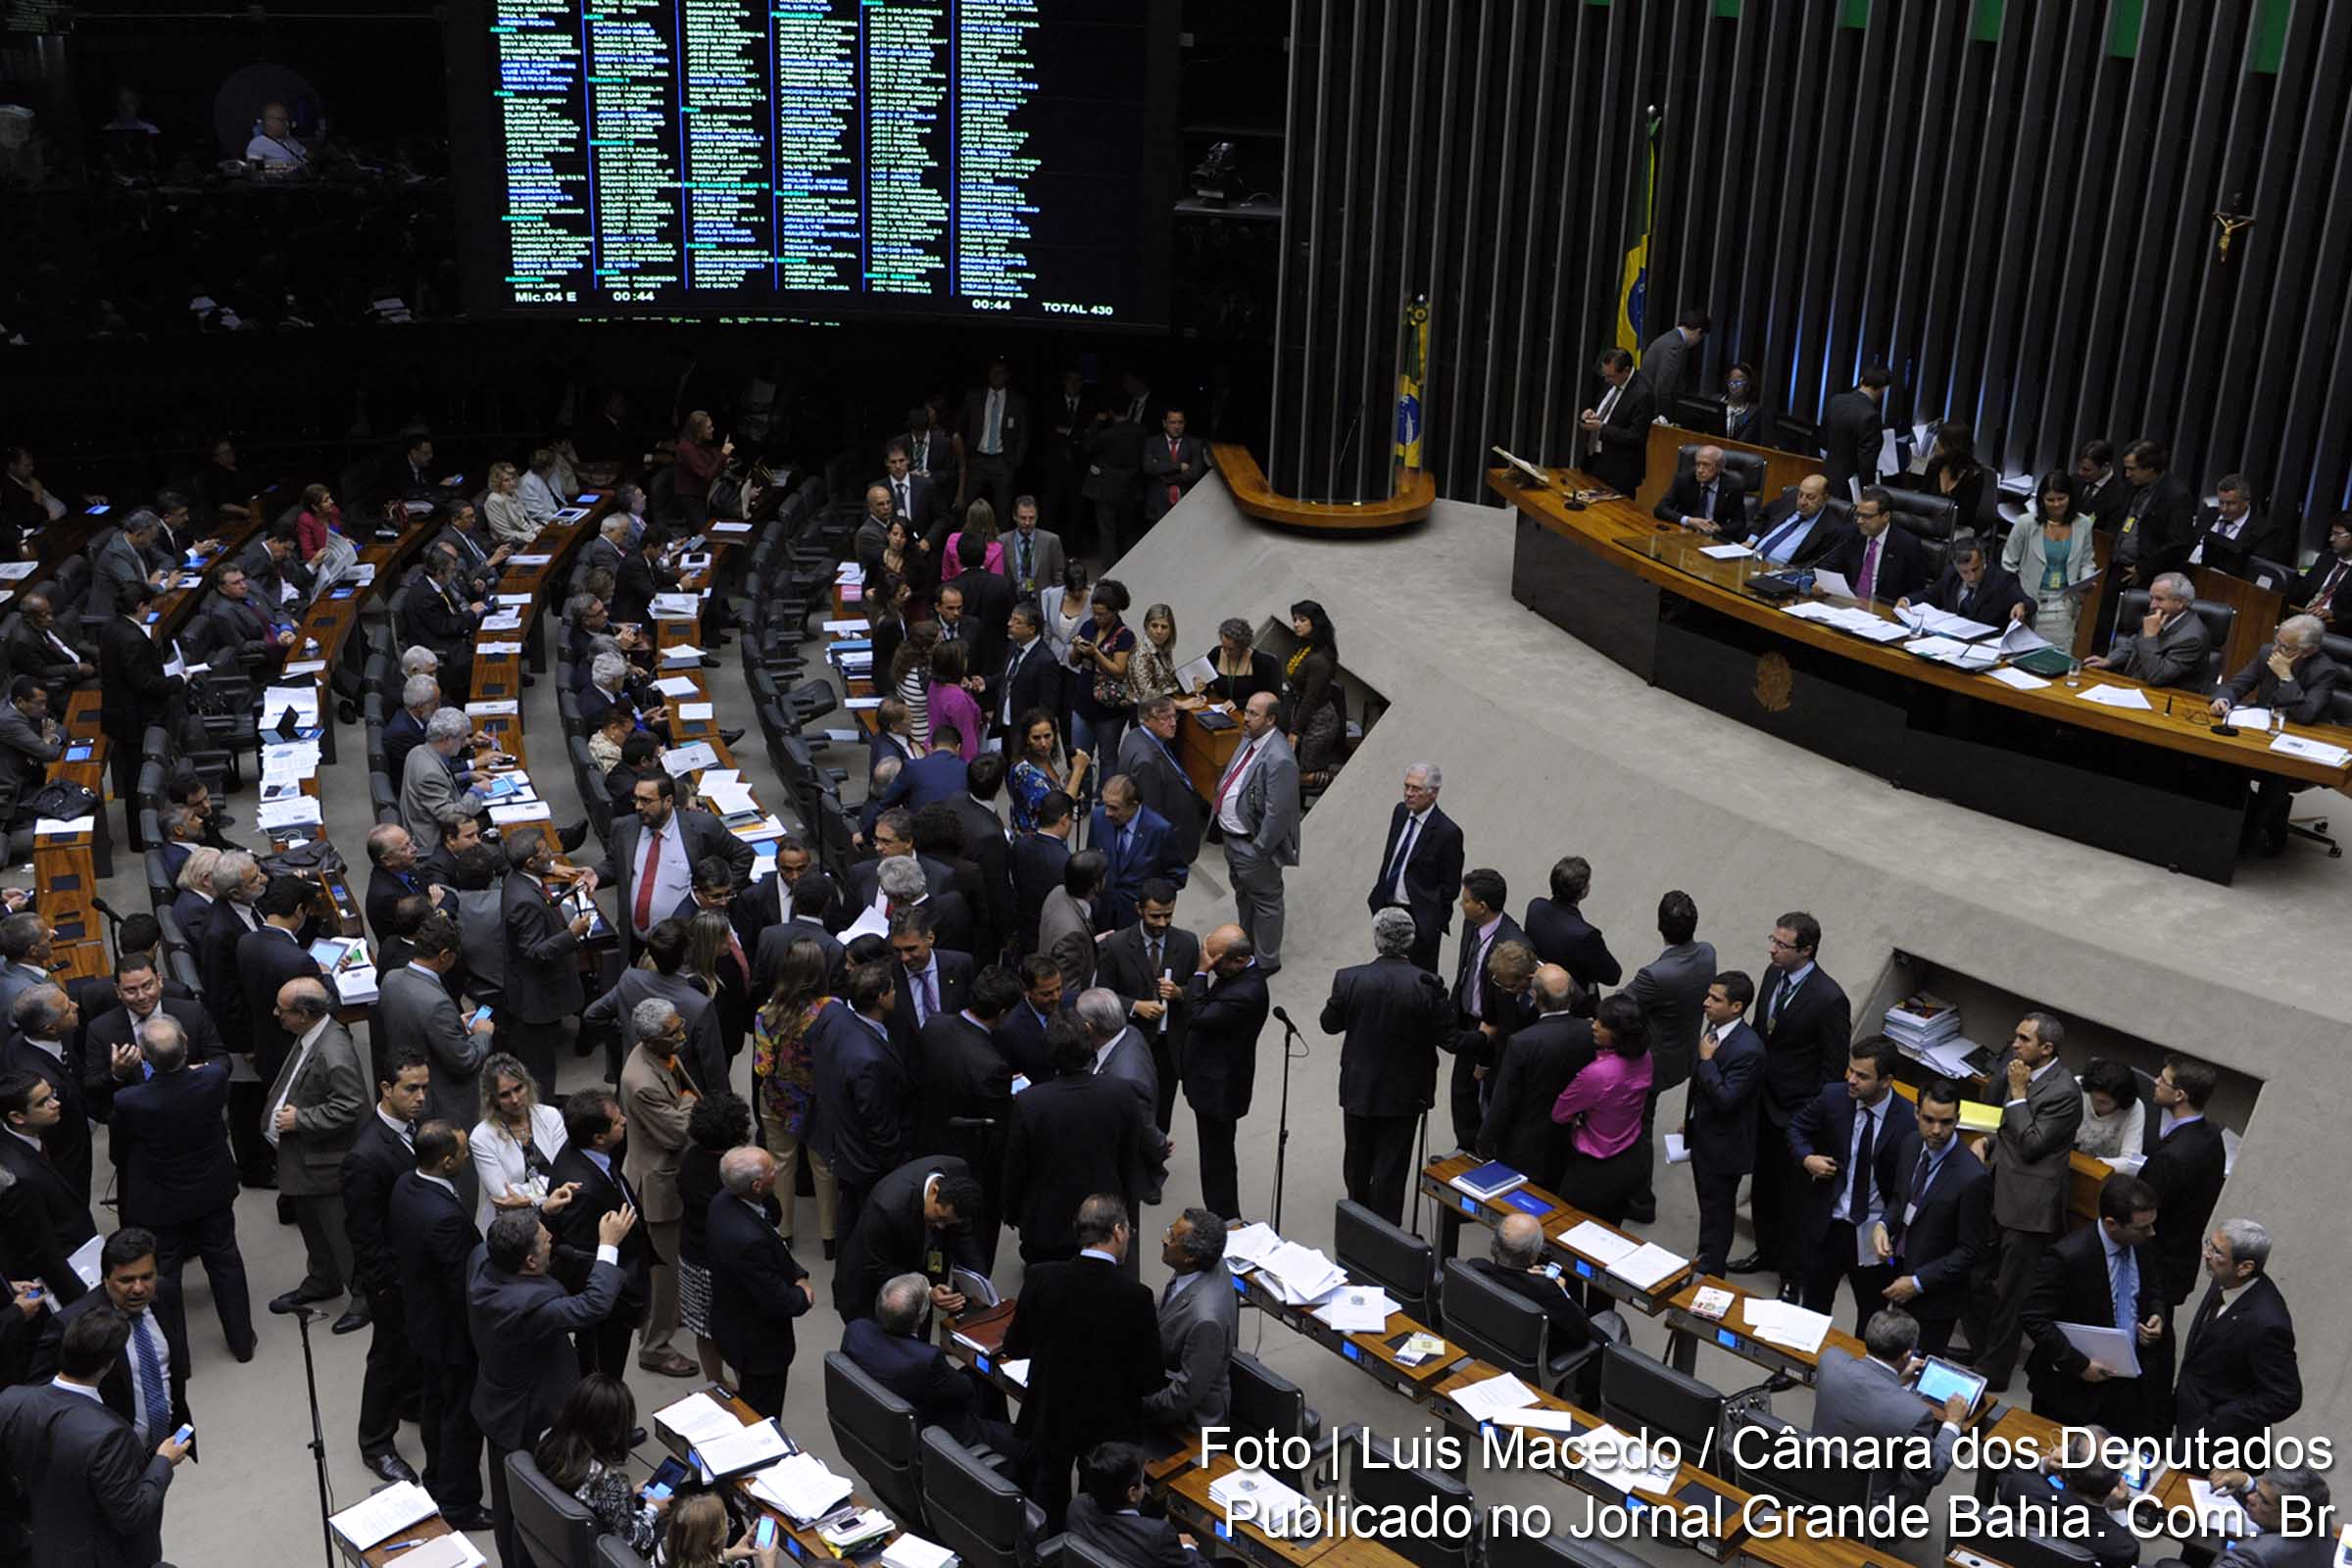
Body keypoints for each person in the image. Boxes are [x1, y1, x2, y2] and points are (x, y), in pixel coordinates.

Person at [468, 1200, 634, 1568]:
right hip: (530, 1415)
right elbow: (592, 1306)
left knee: (508, 1497)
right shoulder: (530, 1304)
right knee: (535, 1506)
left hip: (497, 1404)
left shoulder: (483, 1259)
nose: (551, 1242)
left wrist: (544, 1213)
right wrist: (609, 1245)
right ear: (529, 1262)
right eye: (545, 1241)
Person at [1000, 1194, 1164, 1528]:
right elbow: (1150, 1379)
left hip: (1052, 1414)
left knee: (1049, 1490)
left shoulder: (1042, 1277)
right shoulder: (1136, 1297)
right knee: (1102, 1506)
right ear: (1118, 1231)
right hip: (1107, 1426)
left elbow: (1015, 1346)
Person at [104, 1012, 251, 1354]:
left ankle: (177, 1352)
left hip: (162, 1201)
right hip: (212, 1190)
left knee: (166, 1276)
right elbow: (214, 1068)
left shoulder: (129, 1101)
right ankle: (242, 1341)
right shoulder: (213, 1078)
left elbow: (118, 1151)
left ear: (143, 1055)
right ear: (186, 1044)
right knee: (225, 1261)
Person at [0, 1305, 189, 1568]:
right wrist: (163, 1462)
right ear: (108, 1364)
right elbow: (132, 1513)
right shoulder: (109, 1434)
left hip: (44, 1546)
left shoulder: (11, 1401)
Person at [1965, 1010, 2086, 1393]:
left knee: (2011, 1293)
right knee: (1976, 1276)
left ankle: (1996, 1371)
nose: (2014, 1043)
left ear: (2046, 1048)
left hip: (2030, 1206)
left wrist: (2018, 1095)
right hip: (1998, 1188)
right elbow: (2009, 1127)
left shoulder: (2064, 1092)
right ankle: (1982, 1350)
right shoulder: (2017, 1071)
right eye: (2015, 1036)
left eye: (2024, 1039)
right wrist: (1989, 1141)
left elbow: (2034, 1143)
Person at [1737, 911, 1852, 1288]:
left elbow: (1832, 1069)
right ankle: (1766, 1251)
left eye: (1782, 945)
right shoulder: (1773, 976)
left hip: (1798, 1113)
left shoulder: (1830, 999)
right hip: (1764, 1104)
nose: (1773, 950)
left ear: (1806, 950)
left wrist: (1811, 1118)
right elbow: (1761, 1034)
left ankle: (1793, 1274)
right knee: (1764, 1186)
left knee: (1795, 1199)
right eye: (1772, 941)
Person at [1321, 908, 1452, 1224]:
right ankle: (1387, 1230)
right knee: (1392, 1165)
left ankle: (1357, 1218)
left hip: (1360, 1086)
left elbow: (1329, 1024)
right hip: (1405, 1092)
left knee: (1357, 1158)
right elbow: (1446, 1036)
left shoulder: (1349, 978)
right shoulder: (1428, 984)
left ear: (1377, 938)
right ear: (1410, 941)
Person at [394, 1121, 494, 1529]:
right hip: (452, 1335)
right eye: (464, 1153)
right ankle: (460, 1504)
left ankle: (436, 1479)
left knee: (436, 1409)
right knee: (461, 1420)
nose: (468, 1158)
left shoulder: (406, 1185)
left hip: (421, 1322)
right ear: (447, 1160)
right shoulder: (446, 1220)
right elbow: (463, 1288)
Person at [2022, 1173, 2165, 1434]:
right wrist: (2079, 1365)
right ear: (2111, 1224)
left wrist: (2157, 1314)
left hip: (2124, 1391)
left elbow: (2153, 1287)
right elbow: (2034, 1317)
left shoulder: (2141, 1244)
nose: (2152, 1232)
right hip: (2069, 1393)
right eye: (2143, 1227)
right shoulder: (2067, 1256)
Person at [28, 1228, 193, 1451]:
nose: (138, 1288)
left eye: (146, 1277)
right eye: (126, 1280)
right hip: (110, 1458)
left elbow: (174, 1367)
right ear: (105, 1279)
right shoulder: (72, 1324)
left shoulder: (164, 1294)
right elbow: (41, 1396)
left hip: (164, 1448)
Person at [343, 1052, 428, 1481]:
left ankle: (412, 1401)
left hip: (417, 1269)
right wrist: (385, 1288)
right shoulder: (367, 1155)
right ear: (385, 1090)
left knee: (412, 1349)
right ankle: (376, 1442)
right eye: (411, 1089)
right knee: (388, 1357)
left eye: (424, 1088)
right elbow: (364, 1234)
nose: (420, 1097)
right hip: (391, 1280)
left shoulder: (411, 1132)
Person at [1004, 1017, 1152, 1260]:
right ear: (1090, 1047)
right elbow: (1129, 1154)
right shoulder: (1120, 1092)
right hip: (1103, 1212)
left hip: (1048, 1219)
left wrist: (1012, 1210)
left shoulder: (1030, 1102)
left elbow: (1017, 1165)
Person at [264, 978, 366, 1320]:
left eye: (283, 1009)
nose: (276, 1013)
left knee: (340, 1235)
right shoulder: (310, 1035)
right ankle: (323, 1279)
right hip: (303, 1160)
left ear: (305, 1014)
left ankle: (363, 1297)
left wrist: (302, 1119)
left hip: (326, 1163)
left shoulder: (333, 1053)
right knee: (314, 1228)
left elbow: (350, 1105)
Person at [1788, 1037, 1902, 1330]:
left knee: (1872, 1315)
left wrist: (1889, 1225)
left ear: (1887, 1081)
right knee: (1812, 1308)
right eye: (1850, 1071)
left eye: (1862, 1076)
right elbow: (1797, 1128)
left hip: (1874, 1235)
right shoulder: (1833, 1097)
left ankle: (1860, 1374)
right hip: (1828, 1224)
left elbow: (1906, 1187)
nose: (1851, 1080)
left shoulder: (1907, 1120)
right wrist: (1807, 1158)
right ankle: (1800, 1370)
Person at [1869, 1077, 1989, 1354]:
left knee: (1917, 1376)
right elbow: (1901, 1200)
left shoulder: (1972, 1178)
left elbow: (1969, 1251)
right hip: (1895, 1272)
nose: (1936, 1130)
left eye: (1946, 1122)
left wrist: (1918, 1283)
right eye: (1929, 1120)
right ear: (1916, 1114)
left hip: (1933, 1300)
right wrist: (1883, 1224)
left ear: (1957, 1118)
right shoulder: (1911, 1144)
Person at [615, 1000, 703, 1378]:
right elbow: (676, 1132)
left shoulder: (659, 1054)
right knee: (662, 1272)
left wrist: (685, 1102)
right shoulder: (642, 1082)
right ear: (651, 1039)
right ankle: (654, 1347)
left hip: (670, 1174)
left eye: (679, 1026)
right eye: (674, 1032)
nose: (681, 1035)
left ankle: (672, 1316)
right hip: (657, 1183)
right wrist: (687, 1104)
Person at [1813, 1307, 1969, 1516]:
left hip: (1815, 1473)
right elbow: (1934, 1471)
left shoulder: (1830, 1361)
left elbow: (1863, 1387)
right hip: (1866, 1501)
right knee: (1919, 1477)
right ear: (1906, 1355)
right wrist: (1953, 1421)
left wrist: (1896, 1376)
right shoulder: (1915, 1413)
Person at [843, 1272, 1022, 1454]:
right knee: (1028, 1444)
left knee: (980, 1378)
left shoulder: (856, 1331)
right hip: (940, 1433)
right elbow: (966, 1391)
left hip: (886, 1419)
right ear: (921, 1317)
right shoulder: (926, 1359)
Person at [2211, 614, 2343, 854]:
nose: (2275, 649)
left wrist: (2286, 676)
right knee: (2221, 761)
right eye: (2276, 640)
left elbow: (2305, 715)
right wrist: (2223, 698)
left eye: (2284, 646)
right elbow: (2236, 685)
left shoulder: (2325, 671)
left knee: (2275, 781)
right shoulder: (2266, 653)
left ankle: (2243, 843)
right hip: (2260, 734)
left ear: (2306, 651)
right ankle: (2235, 821)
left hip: (2300, 748)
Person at [705, 1146, 815, 1416]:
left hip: (732, 1324)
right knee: (762, 1418)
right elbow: (781, 1299)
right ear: (756, 1185)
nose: (776, 1170)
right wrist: (803, 1293)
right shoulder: (747, 1240)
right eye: (770, 1170)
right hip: (758, 1347)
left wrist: (795, 1272)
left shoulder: (723, 1201)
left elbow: (774, 1244)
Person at [2173, 1217, 2300, 1446]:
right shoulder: (2223, 1278)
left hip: (2224, 1446)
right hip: (2188, 1424)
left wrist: (2219, 1419)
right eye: (2208, 1244)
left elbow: (2285, 1397)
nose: (2207, 1254)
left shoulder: (2267, 1323)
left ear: (2245, 1267)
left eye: (2217, 1252)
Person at [808, 962, 909, 1238]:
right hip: (863, 1157)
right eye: (892, 990)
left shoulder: (832, 1014)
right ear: (881, 998)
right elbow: (878, 1123)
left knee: (850, 1213)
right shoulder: (869, 1060)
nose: (895, 994)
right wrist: (896, 1162)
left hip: (839, 1140)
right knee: (865, 1225)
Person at [1182, 925, 1269, 1222]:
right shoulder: (1238, 976)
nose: (1209, 965)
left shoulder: (1247, 992)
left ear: (1240, 960)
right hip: (1212, 1082)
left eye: (1215, 961)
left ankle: (1225, 1220)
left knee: (1217, 1161)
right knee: (1215, 1157)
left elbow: (1199, 1015)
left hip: (1220, 1091)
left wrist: (1199, 974)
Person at [1476, 965, 1591, 1191]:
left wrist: (1485, 1141)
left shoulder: (1523, 1042)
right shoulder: (1589, 1032)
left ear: (1535, 997)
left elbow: (1504, 1100)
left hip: (1525, 1147)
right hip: (1568, 1140)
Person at [833, 1155, 987, 1322]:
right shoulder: (887, 1207)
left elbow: (964, 1233)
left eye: (948, 1222)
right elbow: (878, 1267)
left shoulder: (958, 1175)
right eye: (939, 1218)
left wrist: (979, 1287)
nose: (941, 1227)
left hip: (916, 1264)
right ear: (934, 1191)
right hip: (871, 1288)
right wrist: (926, 1291)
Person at [377, 911, 492, 1129]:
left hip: (404, 1087)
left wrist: (452, 1023)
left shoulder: (391, 979)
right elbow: (464, 1060)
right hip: (440, 1102)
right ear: (444, 955)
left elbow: (412, 1024)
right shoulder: (437, 1004)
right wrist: (483, 1034)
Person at [498, 828, 590, 1098]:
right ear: (529, 862)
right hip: (535, 997)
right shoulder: (524, 901)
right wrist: (572, 934)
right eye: (545, 852)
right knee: (540, 1070)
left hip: (530, 987)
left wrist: (552, 867)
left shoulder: (516, 877)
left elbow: (542, 865)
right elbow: (535, 951)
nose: (551, 853)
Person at [1684, 972, 1764, 1279]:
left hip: (1724, 1149)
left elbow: (1728, 1099)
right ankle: (1705, 1257)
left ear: (1736, 1007)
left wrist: (1707, 1062)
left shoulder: (1749, 1050)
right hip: (1705, 1135)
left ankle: (1710, 1272)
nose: (1706, 1002)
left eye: (1715, 999)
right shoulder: (1715, 1029)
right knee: (1709, 1208)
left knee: (1718, 1215)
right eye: (1708, 995)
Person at [1548, 994, 1653, 1226]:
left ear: (1619, 1034)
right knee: (1609, 1228)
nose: (1593, 1025)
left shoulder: (1597, 1074)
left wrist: (1578, 1116)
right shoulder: (1645, 1057)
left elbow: (1560, 1112)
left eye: (1601, 1023)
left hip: (1594, 1170)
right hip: (1630, 1157)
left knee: (1569, 1229)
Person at [532, 1374, 663, 1555]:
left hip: (559, 1541)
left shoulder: (547, 1441)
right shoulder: (608, 1482)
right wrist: (653, 1509)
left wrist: (626, 1497)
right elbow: (630, 1541)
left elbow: (586, 1496)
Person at [1216, 691, 1301, 973]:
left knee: (1266, 902)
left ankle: (1266, 962)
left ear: (1271, 719)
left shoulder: (1280, 759)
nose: (1246, 717)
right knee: (1244, 894)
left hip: (1253, 846)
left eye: (1254, 714)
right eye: (1247, 710)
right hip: (1233, 839)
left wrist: (1260, 849)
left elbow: (1279, 814)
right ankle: (1247, 945)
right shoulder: (1249, 738)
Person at [1442, 867, 1524, 1154]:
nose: (1460, 904)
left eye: (1465, 900)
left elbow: (1509, 1015)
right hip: (1467, 1022)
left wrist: (1487, 1057)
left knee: (1486, 1096)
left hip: (1493, 1032)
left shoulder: (1512, 946)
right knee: (1461, 1094)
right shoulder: (1471, 924)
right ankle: (1465, 1147)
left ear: (1482, 906)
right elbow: (1465, 971)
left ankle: (1482, 1153)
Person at [96, 580, 183, 848]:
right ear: (139, 606)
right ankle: (141, 837)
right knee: (140, 780)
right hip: (136, 719)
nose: (151, 612)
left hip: (120, 713)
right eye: (148, 607)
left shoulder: (111, 626)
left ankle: (142, 833)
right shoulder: (132, 638)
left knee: (135, 776)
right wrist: (179, 680)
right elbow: (144, 683)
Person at [0, 1067, 95, 1306]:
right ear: (17, 1117)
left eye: (52, 1094)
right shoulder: (21, 1178)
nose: (56, 1103)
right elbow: (43, 1252)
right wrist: (81, 1300)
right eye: (44, 1102)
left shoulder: (31, 1134)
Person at [2139, 1054, 2228, 1311]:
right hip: (2179, 1264)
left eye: (2163, 1080)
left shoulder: (2172, 1156)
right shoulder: (2211, 1136)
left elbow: (2143, 1211)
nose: (2156, 1081)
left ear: (2180, 1095)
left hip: (2154, 1268)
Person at [1142, 1209, 1238, 1430]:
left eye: (1172, 1238)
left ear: (1190, 1257)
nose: (1164, 1240)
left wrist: (1138, 1407)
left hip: (1191, 1424)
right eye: (1169, 1230)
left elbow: (1183, 1395)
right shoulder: (1206, 1262)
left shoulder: (1206, 1322)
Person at [1068, 1442, 1208, 1568]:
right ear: (1132, 1493)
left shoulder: (1077, 1507)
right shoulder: (1158, 1535)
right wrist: (1188, 1547)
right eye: (1142, 1481)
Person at [2002, 471, 2101, 650]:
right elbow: (2008, 565)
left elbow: (2087, 560)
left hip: (2063, 605)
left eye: (2061, 498)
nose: (2056, 505)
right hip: (2028, 602)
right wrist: (2018, 599)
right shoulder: (2025, 523)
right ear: (2041, 500)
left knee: (2055, 660)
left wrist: (2087, 580)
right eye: (2050, 500)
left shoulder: (2083, 524)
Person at [469, 1052, 567, 1229]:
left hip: (560, 1215)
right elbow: (502, 1194)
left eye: (518, 1088)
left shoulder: (550, 1116)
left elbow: (564, 1171)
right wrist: (546, 1196)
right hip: (512, 1226)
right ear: (493, 1099)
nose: (515, 1099)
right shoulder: (481, 1137)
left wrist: (525, 1198)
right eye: (505, 1095)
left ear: (528, 1085)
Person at [1466, 1211, 1593, 1348]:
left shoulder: (1476, 1268)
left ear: (1494, 1246)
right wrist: (1563, 1292)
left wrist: (1529, 1277)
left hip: (1488, 1340)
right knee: (1612, 1321)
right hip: (1536, 1352)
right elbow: (1582, 1334)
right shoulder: (1548, 1292)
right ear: (1534, 1255)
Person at [2085, 570, 2210, 688]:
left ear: (2180, 603)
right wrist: (2109, 660)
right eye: (2152, 598)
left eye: (2159, 599)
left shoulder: (2193, 638)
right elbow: (2134, 644)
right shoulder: (2161, 615)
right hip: (2132, 684)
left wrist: (2150, 636)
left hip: (2166, 698)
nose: (2152, 605)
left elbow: (2157, 676)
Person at [1091, 775, 1184, 928]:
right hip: (1103, 913)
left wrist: (1155, 904)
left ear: (1133, 805)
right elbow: (1092, 859)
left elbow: (1177, 875)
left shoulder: (1159, 830)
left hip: (1137, 920)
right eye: (1105, 804)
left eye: (1114, 807)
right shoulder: (1098, 818)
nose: (1107, 812)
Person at [2109, 437, 2197, 593]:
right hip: (2117, 566)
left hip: (2147, 575)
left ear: (2150, 468)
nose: (2127, 474)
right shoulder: (2132, 485)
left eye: (2132, 469)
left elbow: (2178, 542)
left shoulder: (2176, 495)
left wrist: (2143, 569)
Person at [400, 709, 488, 859]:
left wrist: (466, 776)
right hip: (436, 839)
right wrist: (476, 791)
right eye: (461, 739)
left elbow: (440, 781)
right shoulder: (429, 772)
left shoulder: (418, 751)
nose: (464, 744)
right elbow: (451, 816)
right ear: (446, 739)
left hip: (427, 823)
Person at [1819, 487, 1933, 604]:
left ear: (1886, 517)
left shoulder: (1907, 545)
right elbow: (1829, 566)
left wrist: (1906, 601)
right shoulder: (1850, 533)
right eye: (1858, 515)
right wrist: (1821, 583)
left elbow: (1918, 591)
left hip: (1883, 610)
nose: (1859, 521)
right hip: (1846, 604)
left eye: (1866, 516)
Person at [1068, 577, 1138, 762]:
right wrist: (1076, 648)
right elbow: (1073, 662)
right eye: (1095, 613)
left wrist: (1095, 653)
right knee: (1080, 756)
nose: (1098, 618)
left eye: (1103, 614)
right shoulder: (1088, 626)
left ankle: (1104, 791)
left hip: (1109, 710)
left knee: (1107, 758)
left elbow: (1119, 670)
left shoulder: (1124, 635)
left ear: (1114, 612)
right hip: (1083, 702)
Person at [1899, 531, 2032, 627]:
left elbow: (2030, 602)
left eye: (1975, 569)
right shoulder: (1951, 575)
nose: (1972, 577)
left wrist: (2022, 606)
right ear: (1956, 567)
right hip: (1951, 641)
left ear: (1983, 560)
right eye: (1964, 572)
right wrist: (1907, 600)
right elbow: (1930, 596)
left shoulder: (2002, 580)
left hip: (1986, 646)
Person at [1282, 599, 1346, 782]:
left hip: (1318, 722)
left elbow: (1310, 699)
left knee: (1301, 774)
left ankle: (1335, 781)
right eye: (1295, 619)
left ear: (1314, 623)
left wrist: (1295, 731)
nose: (1296, 624)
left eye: (1302, 620)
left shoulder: (1319, 660)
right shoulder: (1306, 647)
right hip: (1303, 714)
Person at [1579, 348, 1657, 495]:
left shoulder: (1643, 394)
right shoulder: (1612, 380)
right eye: (1605, 375)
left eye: (1611, 376)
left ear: (1626, 371)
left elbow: (1636, 437)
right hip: (1594, 460)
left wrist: (1601, 428)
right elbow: (1605, 411)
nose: (1607, 380)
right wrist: (1589, 415)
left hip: (1619, 471)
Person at [2188, 472, 2290, 577]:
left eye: (2231, 503)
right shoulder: (2208, 515)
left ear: (2246, 502)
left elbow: (2254, 572)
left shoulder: (2264, 532)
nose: (2224, 509)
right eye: (2221, 502)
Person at [1742, 472, 1849, 569]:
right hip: (1749, 558)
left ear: (1825, 499)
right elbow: (1762, 516)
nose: (1802, 502)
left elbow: (1817, 564)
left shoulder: (1832, 528)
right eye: (1800, 494)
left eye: (1810, 497)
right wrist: (1752, 540)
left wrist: (1789, 570)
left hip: (1779, 574)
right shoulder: (1790, 499)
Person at [1008, 709, 1088, 834]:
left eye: (1047, 736)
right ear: (1027, 739)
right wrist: (1079, 770)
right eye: (1036, 738)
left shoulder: (1046, 759)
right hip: (1036, 845)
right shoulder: (1024, 772)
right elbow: (1059, 810)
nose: (1043, 743)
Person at [1821, 365, 1892, 500]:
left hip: (1827, 476)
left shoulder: (1836, 401)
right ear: (1883, 389)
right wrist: (1868, 493)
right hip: (1850, 486)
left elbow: (1823, 439)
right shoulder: (1871, 416)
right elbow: (1867, 462)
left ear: (1861, 380)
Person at [1039, 849, 1102, 994]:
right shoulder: (1074, 935)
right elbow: (1067, 990)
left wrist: (1090, 943)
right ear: (1097, 885)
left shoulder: (1057, 892)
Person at [1652, 444, 1748, 534]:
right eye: (1698, 464)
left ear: (1719, 468)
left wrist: (1720, 529)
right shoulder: (1684, 479)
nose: (1700, 470)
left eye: (1706, 465)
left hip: (1713, 538)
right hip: (1684, 534)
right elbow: (1660, 509)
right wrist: (1689, 521)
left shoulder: (1733, 486)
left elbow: (1739, 522)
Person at [1921, 420, 1993, 537]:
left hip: (1958, 527)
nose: (1936, 443)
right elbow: (1921, 498)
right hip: (1932, 522)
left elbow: (1964, 517)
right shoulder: (1934, 465)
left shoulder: (1974, 475)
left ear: (1952, 446)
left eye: (1940, 440)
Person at [1140, 407, 1209, 525]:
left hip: (1185, 503)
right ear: (1164, 423)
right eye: (1172, 422)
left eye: (1180, 422)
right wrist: (1177, 466)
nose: (1177, 426)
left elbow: (1195, 473)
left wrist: (1166, 477)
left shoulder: (1195, 443)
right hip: (1157, 504)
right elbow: (1148, 467)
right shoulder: (1152, 442)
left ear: (1185, 423)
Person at [2288, 514, 2352, 634]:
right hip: (2302, 617)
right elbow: (2303, 589)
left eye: (2337, 534)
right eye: (2332, 533)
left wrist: (2333, 614)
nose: (2331, 539)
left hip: (2333, 630)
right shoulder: (2327, 557)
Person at [1200, 616, 1283, 708]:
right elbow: (1204, 683)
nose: (1226, 652)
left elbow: (1273, 698)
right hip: (1220, 707)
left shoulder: (1265, 663)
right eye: (1224, 647)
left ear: (1243, 646)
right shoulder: (1216, 653)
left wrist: (1239, 704)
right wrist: (1202, 694)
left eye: (1231, 649)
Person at [2075, 1058, 2145, 1159]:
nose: (2095, 1103)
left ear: (2119, 1102)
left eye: (2103, 1102)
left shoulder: (2136, 1108)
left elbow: (2132, 1162)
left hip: (2105, 1171)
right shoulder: (2076, 1086)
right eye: (2092, 1097)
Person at [1641, 308, 1709, 404]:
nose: (1697, 343)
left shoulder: (1668, 337)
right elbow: (1663, 387)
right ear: (1698, 331)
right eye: (1700, 339)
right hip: (1653, 406)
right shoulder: (1676, 345)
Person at [1004, 494, 1066, 600]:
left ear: (1037, 517)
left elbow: (1059, 575)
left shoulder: (1051, 541)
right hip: (1012, 602)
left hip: (1042, 602)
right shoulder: (1003, 541)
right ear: (1015, 517)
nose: (1027, 522)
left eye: (1031, 518)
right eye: (1023, 518)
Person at [1717, 362, 1770, 445]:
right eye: (1731, 382)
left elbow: (1743, 442)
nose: (1734, 386)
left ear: (1748, 386)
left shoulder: (1753, 412)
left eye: (1739, 382)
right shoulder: (1716, 400)